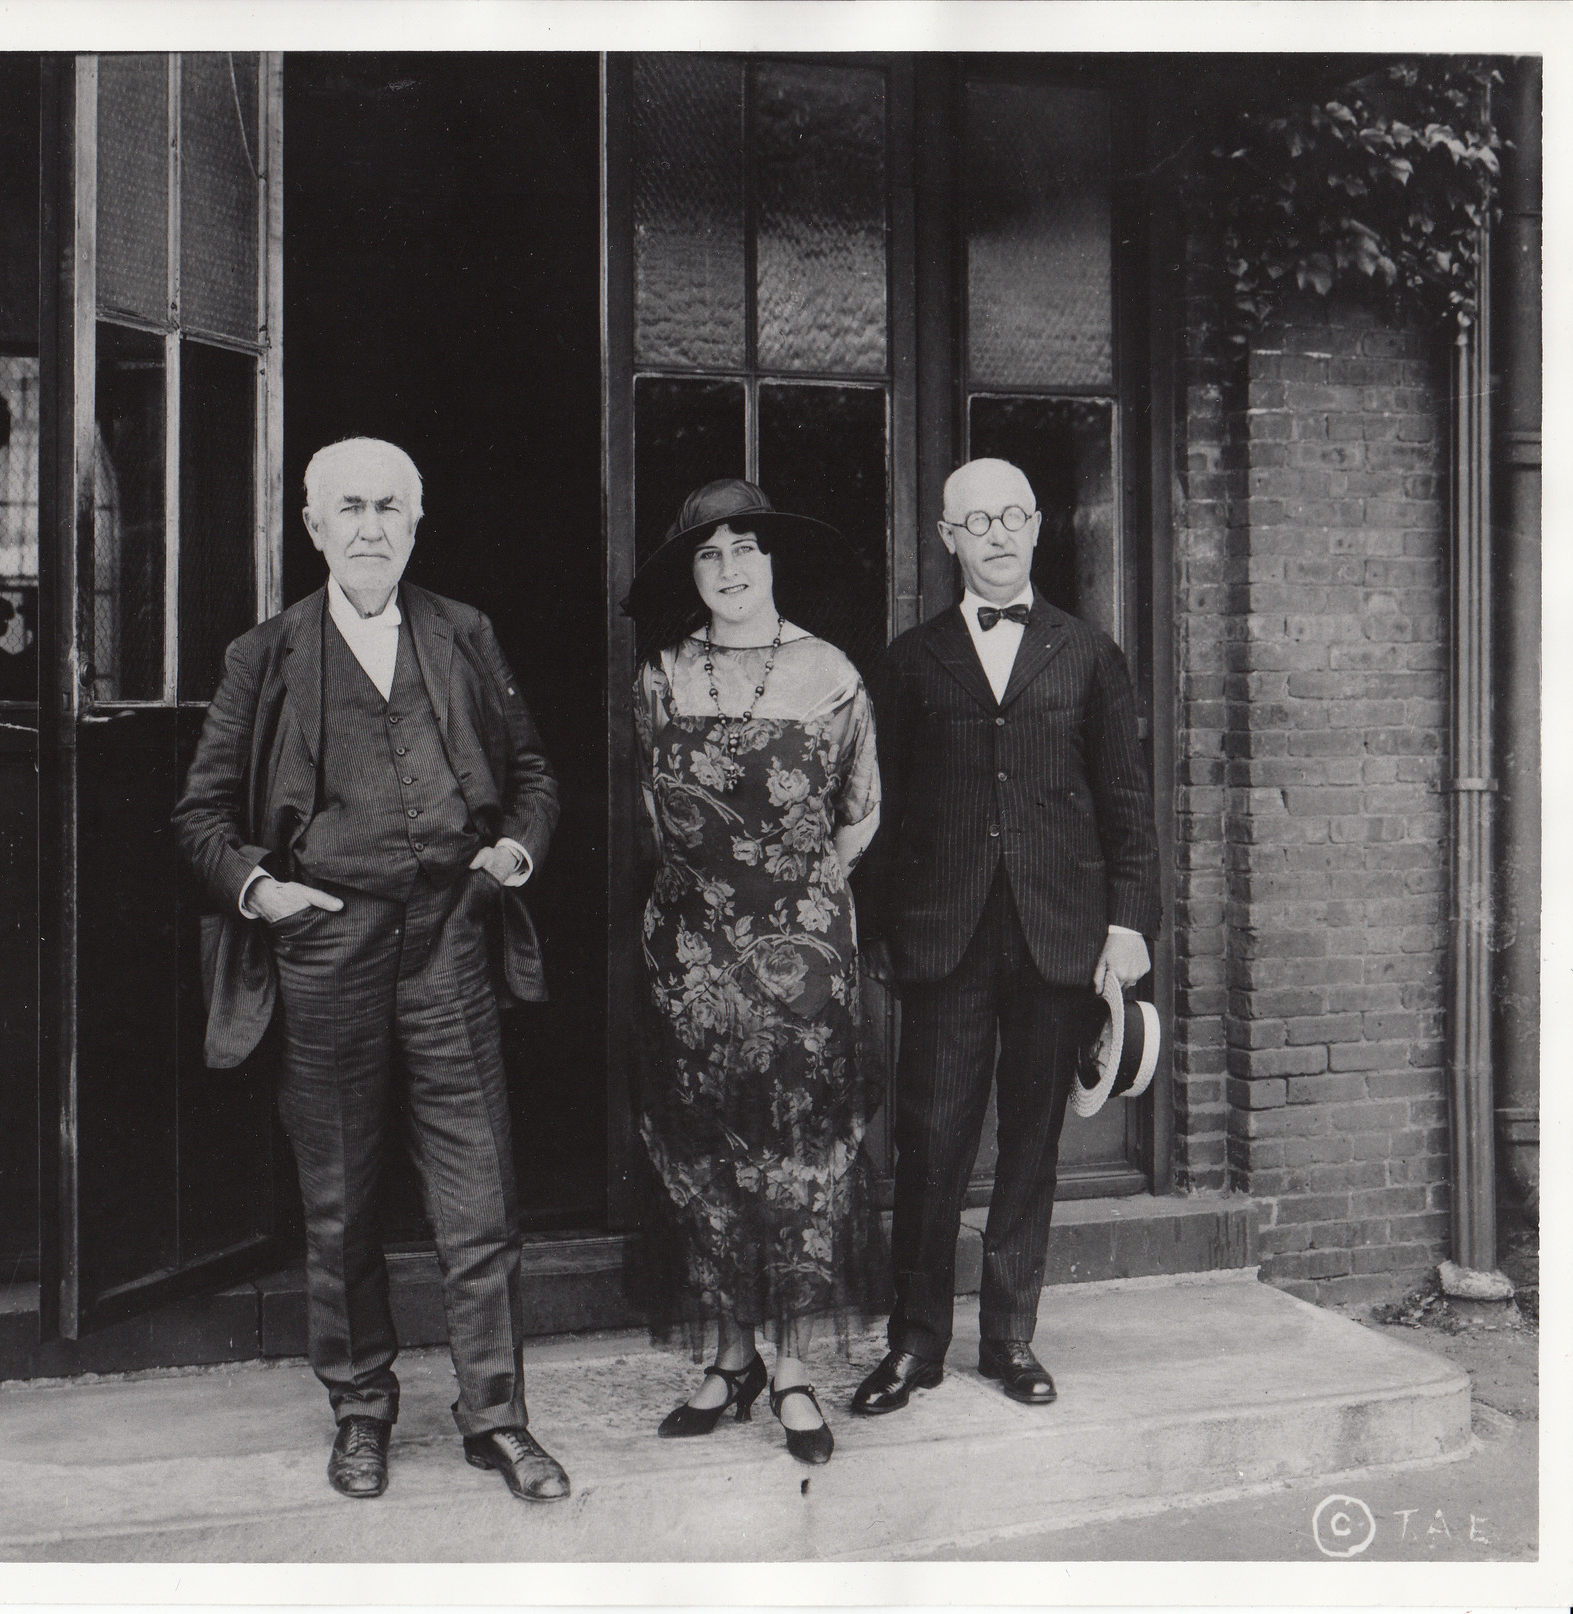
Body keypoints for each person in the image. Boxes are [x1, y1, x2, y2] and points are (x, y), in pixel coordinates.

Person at [173, 437, 570, 1504]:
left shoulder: (464, 633)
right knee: (341, 1202)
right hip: (327, 952)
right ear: (311, 526)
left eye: (389, 506)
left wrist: (512, 852)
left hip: (451, 939)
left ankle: (497, 1419)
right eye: (347, 507)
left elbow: (531, 772)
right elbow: (200, 818)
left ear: (416, 519)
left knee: (478, 1197)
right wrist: (267, 894)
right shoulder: (265, 655)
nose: (369, 526)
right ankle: (360, 1410)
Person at [851, 456, 1159, 1416]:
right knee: (932, 1139)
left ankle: (1010, 1339)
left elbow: (1124, 803)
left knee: (1030, 1141)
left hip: (1055, 938)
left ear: (1036, 527)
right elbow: (880, 814)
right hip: (945, 939)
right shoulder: (909, 660)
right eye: (973, 521)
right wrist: (882, 934)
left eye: (1011, 517)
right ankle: (914, 1345)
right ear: (947, 539)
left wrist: (1128, 926)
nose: (994, 535)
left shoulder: (1086, 653)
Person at [622, 477, 885, 1466]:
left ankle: (791, 1371)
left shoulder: (831, 673)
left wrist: (795, 894)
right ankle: (729, 1358)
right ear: (690, 573)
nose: (728, 569)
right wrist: (703, 911)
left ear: (773, 561)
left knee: (793, 1158)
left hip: (802, 959)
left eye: (745, 548)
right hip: (687, 957)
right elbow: (647, 820)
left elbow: (860, 810)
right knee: (699, 1157)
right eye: (707, 554)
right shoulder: (660, 678)